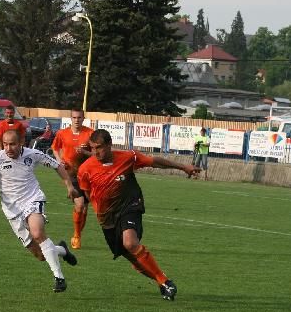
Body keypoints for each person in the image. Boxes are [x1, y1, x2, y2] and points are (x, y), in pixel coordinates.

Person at [77, 129, 199, 301]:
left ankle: (164, 280)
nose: (95, 152)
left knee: (130, 242)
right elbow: (88, 193)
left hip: (130, 206)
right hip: (107, 218)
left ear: (109, 145)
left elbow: (154, 162)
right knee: (133, 258)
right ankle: (162, 282)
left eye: (99, 147)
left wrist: (183, 167)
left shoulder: (128, 157)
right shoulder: (85, 169)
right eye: (92, 148)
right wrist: (99, 210)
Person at [0, 129, 79, 293]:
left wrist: (69, 185)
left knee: (37, 233)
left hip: (32, 199)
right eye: (5, 144)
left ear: (21, 143)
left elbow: (57, 166)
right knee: (41, 256)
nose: (8, 148)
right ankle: (61, 250)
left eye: (12, 144)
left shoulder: (33, 154)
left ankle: (59, 278)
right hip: (12, 211)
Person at [52, 109, 94, 249]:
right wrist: (59, 160)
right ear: (71, 118)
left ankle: (78, 234)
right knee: (80, 205)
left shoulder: (90, 133)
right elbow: (55, 148)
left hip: (87, 174)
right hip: (70, 174)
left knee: (85, 209)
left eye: (79, 117)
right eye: (74, 117)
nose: (77, 120)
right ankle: (76, 235)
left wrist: (85, 152)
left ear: (83, 118)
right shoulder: (62, 133)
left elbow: (96, 154)